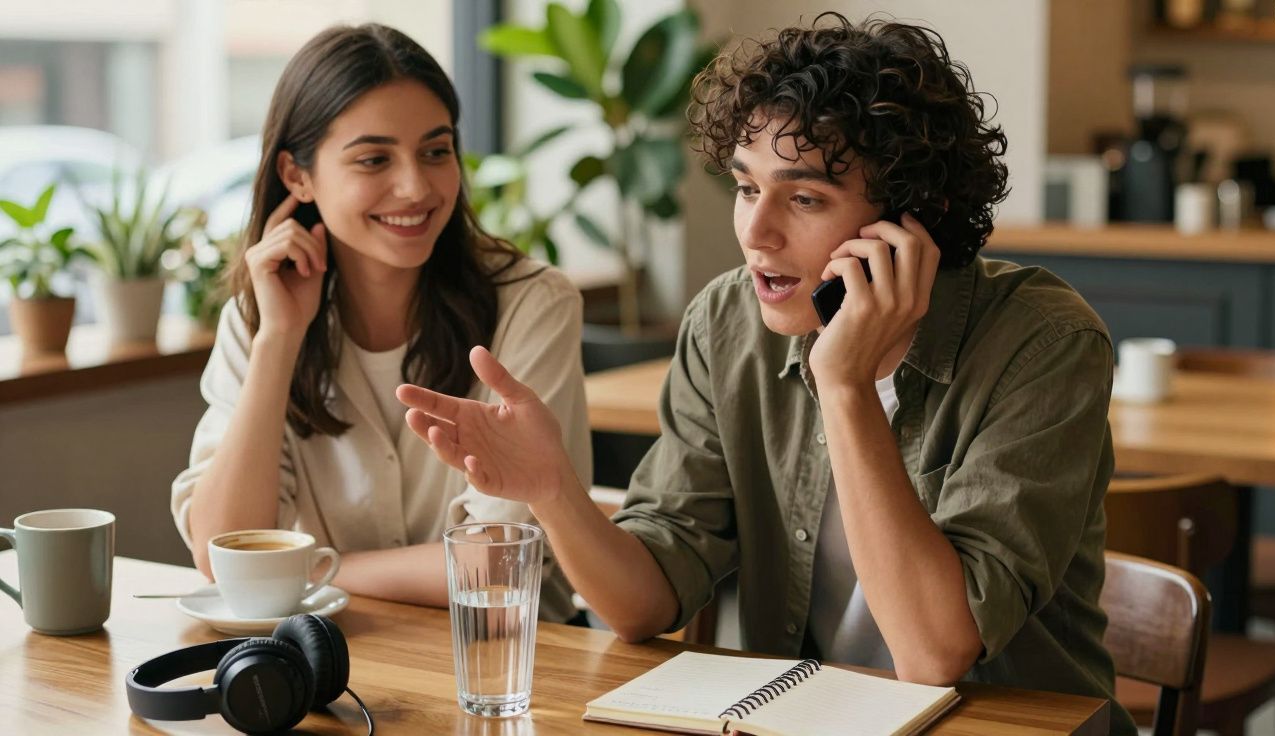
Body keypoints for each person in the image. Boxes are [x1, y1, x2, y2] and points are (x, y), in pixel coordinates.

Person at [397, 13, 1134, 732]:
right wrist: (555, 491)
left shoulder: (1045, 345)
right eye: (749, 188)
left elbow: (935, 651)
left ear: (914, 221)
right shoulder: (726, 326)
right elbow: (647, 602)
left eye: (804, 197)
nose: (754, 230)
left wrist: (844, 386)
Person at [171, 24, 590, 621]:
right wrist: (280, 339)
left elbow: (496, 565)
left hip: (509, 666)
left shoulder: (532, 303)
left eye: (436, 151)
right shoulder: (263, 316)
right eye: (374, 159)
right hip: (334, 659)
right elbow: (223, 553)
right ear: (297, 176)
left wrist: (307, 568)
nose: (415, 187)